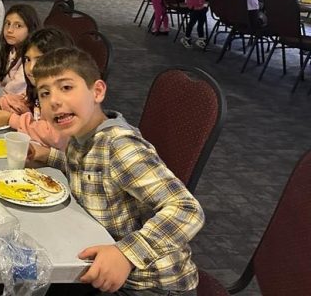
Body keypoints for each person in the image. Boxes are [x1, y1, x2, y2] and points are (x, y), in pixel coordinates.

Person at [27, 47, 204, 295]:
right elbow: (90, 170)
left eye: (66, 87)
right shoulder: (81, 137)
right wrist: (46, 156)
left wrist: (127, 254)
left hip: (150, 285)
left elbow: (187, 209)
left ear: (97, 91)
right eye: (45, 93)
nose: (54, 101)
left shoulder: (118, 146)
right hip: (110, 265)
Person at [0, 27, 74, 149]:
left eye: (40, 60)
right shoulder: (38, 89)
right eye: (27, 59)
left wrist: (12, 120)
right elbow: (25, 101)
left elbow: (56, 137)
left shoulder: (65, 99)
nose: (31, 68)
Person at [0, 5, 41, 95]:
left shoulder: (30, 57)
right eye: (8, 24)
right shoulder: (10, 48)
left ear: (31, 30)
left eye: (18, 26)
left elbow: (13, 89)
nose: (9, 30)